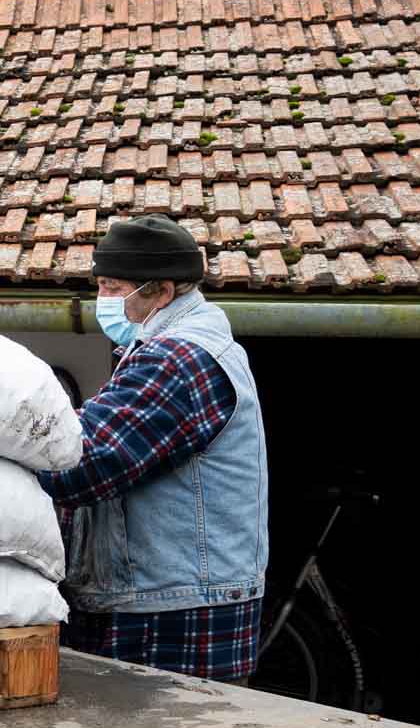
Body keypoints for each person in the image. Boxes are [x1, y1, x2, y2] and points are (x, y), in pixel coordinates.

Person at [38, 215, 269, 682]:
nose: (102, 300)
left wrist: (1, 448)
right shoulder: (189, 346)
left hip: (170, 613)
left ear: (161, 292)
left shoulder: (177, 358)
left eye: (111, 286)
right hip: (175, 600)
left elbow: (83, 462)